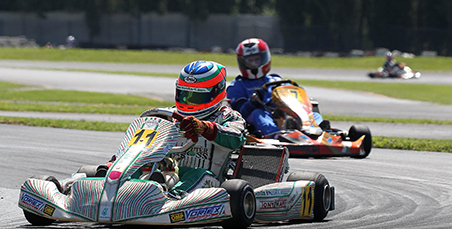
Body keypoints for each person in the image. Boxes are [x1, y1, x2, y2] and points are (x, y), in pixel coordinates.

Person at [139, 60, 247, 193]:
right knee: (139, 167)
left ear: (216, 93)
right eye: (184, 95)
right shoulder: (167, 114)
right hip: (166, 173)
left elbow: (236, 138)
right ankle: (113, 184)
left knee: (196, 174)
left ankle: (173, 198)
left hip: (209, 181)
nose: (189, 101)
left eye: (196, 97)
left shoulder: (228, 116)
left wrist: (205, 128)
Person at [226, 38, 326, 138]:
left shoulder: (276, 80)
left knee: (311, 113)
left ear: (265, 58)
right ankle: (278, 136)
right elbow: (240, 113)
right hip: (256, 121)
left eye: (257, 60)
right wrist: (253, 102)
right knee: (258, 113)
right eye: (249, 61)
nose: (253, 64)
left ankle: (319, 131)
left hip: (283, 113)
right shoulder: (237, 85)